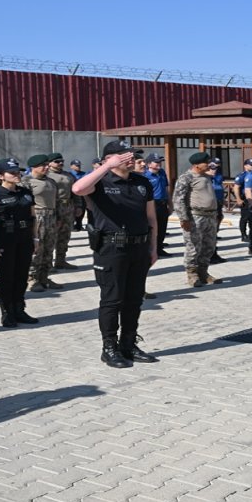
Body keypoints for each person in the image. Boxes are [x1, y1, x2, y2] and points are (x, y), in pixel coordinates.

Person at [72, 140, 159, 368]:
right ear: (111, 157)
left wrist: (153, 247)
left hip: (139, 248)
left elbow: (151, 217)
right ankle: (109, 347)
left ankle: (128, 344)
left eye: (133, 154)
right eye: (125, 155)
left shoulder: (142, 182)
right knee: (112, 300)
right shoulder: (100, 182)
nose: (131, 158)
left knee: (134, 299)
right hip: (111, 249)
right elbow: (78, 189)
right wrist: (105, 166)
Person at [0, 158, 38, 328]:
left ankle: (19, 309)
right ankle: (6, 312)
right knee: (6, 277)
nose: (17, 175)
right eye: (12, 173)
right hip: (4, 241)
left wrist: (35, 238)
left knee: (21, 277)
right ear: (1, 176)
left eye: (18, 172)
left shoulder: (25, 192)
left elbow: (33, 216)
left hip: (24, 239)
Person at [172, 152, 222, 287]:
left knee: (209, 246)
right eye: (206, 162)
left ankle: (203, 272)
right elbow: (178, 199)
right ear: (196, 165)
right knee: (193, 246)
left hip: (210, 216)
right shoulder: (186, 178)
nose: (209, 164)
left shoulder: (206, 177)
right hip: (195, 217)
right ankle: (192, 274)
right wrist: (184, 218)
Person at [25, 154, 62, 292]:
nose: (47, 167)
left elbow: (56, 200)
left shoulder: (51, 181)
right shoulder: (26, 182)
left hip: (51, 217)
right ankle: (32, 279)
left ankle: (44, 276)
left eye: (47, 165)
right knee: (36, 249)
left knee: (48, 248)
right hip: (37, 217)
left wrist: (58, 217)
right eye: (43, 165)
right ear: (33, 167)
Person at [45, 154, 79, 271]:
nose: (60, 163)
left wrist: (78, 206)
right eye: (56, 161)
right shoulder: (46, 175)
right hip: (54, 206)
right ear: (49, 163)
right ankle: (47, 263)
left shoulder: (68, 175)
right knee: (50, 236)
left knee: (65, 235)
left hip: (68, 206)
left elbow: (75, 191)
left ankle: (61, 261)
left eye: (61, 161)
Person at [144, 154, 172, 257]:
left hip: (162, 203)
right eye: (156, 162)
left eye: (160, 161)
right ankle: (151, 250)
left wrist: (170, 204)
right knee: (152, 228)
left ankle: (159, 248)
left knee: (162, 228)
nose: (159, 164)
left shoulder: (162, 173)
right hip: (152, 204)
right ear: (149, 164)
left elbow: (166, 189)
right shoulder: (145, 176)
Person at [206, 159, 227, 264]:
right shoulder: (204, 179)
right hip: (208, 207)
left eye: (215, 168)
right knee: (209, 233)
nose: (214, 170)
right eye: (211, 168)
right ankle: (209, 255)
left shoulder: (218, 175)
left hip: (217, 203)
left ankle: (214, 254)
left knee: (214, 231)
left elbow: (220, 187)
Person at [234, 159, 252, 242]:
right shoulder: (242, 175)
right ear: (245, 166)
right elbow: (236, 187)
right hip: (245, 199)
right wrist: (238, 199)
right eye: (251, 165)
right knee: (245, 218)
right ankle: (243, 234)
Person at [68, 159, 87, 231]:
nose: (78, 167)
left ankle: (79, 225)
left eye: (79, 165)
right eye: (76, 165)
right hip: (72, 195)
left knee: (82, 209)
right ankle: (71, 225)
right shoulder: (69, 175)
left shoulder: (84, 174)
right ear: (71, 166)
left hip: (82, 195)